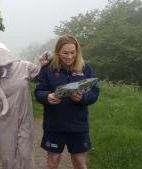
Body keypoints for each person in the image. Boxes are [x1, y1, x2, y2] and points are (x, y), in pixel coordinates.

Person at [34, 35, 99, 169]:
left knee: (80, 163)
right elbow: (38, 92)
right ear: (58, 52)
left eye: (72, 53)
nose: (69, 56)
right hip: (54, 125)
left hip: (78, 125)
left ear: (77, 52)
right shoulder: (47, 69)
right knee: (53, 162)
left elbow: (94, 92)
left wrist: (83, 98)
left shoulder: (85, 68)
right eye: (65, 53)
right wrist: (48, 96)